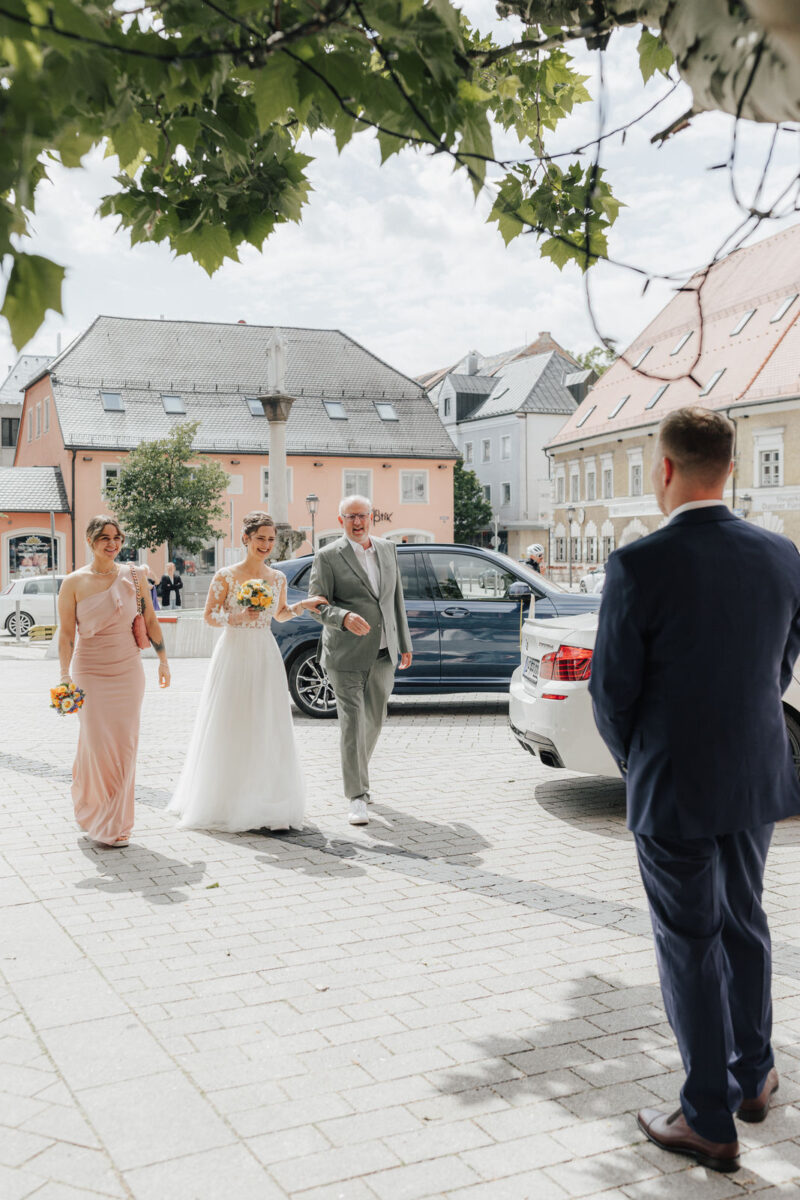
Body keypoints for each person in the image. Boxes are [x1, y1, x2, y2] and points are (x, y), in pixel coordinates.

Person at [589, 407, 800, 1173]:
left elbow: (612, 693)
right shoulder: (784, 556)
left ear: (666, 469)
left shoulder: (639, 563)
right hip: (756, 774)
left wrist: (635, 759)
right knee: (746, 922)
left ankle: (709, 1118)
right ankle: (756, 1075)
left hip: (674, 780)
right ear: (733, 468)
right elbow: (779, 667)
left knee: (689, 943)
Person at [168, 511, 327, 833]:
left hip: (264, 652)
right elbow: (210, 616)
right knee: (232, 719)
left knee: (266, 720)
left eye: (270, 539)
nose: (266, 544)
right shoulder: (226, 575)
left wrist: (303, 605)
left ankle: (267, 801)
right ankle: (225, 800)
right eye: (260, 539)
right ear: (246, 539)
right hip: (234, 651)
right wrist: (237, 617)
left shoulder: (277, 578)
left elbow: (280, 615)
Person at [57, 516, 171, 847]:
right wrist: (64, 677)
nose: (113, 543)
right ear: (90, 541)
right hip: (89, 672)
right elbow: (66, 635)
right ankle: (90, 804)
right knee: (95, 745)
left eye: (117, 537)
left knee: (123, 746)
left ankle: (115, 823)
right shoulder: (73, 583)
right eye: (105, 537)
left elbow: (150, 619)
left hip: (127, 672)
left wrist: (163, 660)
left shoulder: (135, 576)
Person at [308, 495, 413, 826]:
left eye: (363, 515)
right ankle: (356, 796)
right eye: (350, 516)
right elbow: (316, 604)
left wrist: (404, 643)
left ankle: (357, 774)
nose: (357, 522)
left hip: (383, 652)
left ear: (372, 517)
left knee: (374, 721)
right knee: (353, 724)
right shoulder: (327, 556)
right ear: (340, 521)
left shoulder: (387, 549)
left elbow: (395, 598)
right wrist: (342, 617)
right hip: (345, 654)